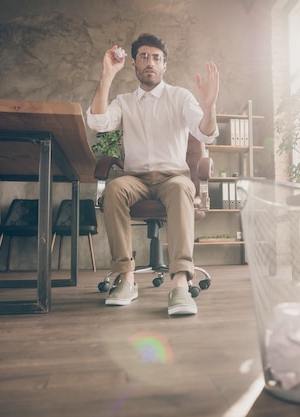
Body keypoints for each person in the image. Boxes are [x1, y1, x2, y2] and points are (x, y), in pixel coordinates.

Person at [86, 33, 219, 316]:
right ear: (134, 63)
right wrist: (107, 74)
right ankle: (126, 277)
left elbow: (205, 131)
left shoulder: (180, 96)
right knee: (114, 188)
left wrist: (209, 107)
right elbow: (98, 121)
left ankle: (181, 283)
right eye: (144, 56)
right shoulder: (124, 101)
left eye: (156, 58)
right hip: (136, 178)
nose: (150, 62)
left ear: (164, 66)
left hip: (173, 177)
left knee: (183, 187)